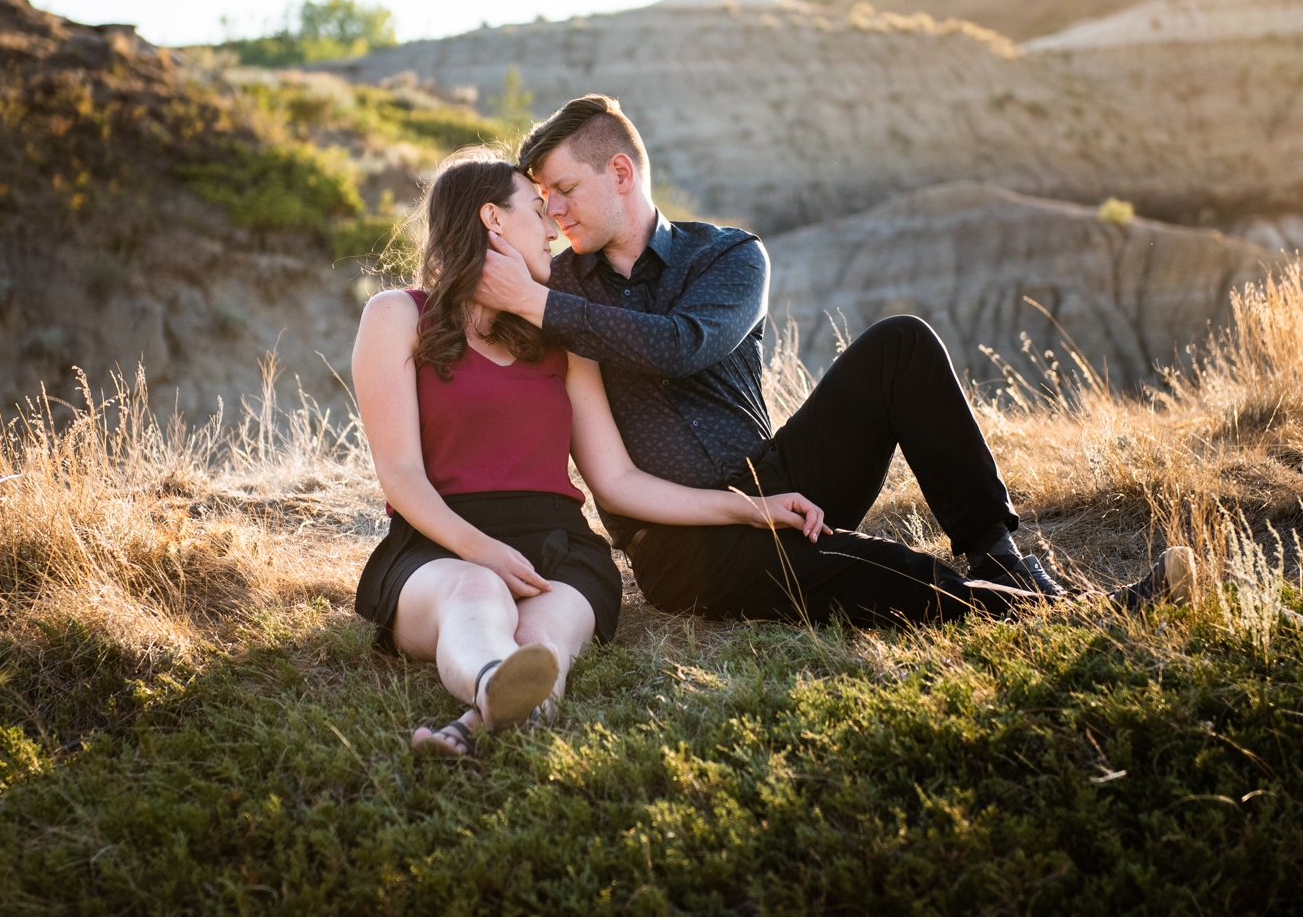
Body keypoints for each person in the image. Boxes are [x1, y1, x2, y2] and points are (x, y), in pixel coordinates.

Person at [473, 93, 1194, 627]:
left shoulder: (727, 254)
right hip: (682, 544)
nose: (556, 211)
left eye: (564, 189)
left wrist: (543, 307)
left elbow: (683, 345)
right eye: (545, 198)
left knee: (900, 343)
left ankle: (999, 553)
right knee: (879, 569)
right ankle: (1064, 612)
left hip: (778, 480)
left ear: (621, 173)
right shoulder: (558, 285)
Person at [351, 152, 840, 758]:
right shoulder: (397, 315)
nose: (554, 227)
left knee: (544, 638)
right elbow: (400, 475)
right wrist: (483, 551)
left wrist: (748, 508)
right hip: (439, 546)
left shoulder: (562, 339)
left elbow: (616, 480)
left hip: (560, 548)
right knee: (476, 595)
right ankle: (486, 686)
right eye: (536, 210)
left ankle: (471, 728)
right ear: (492, 220)